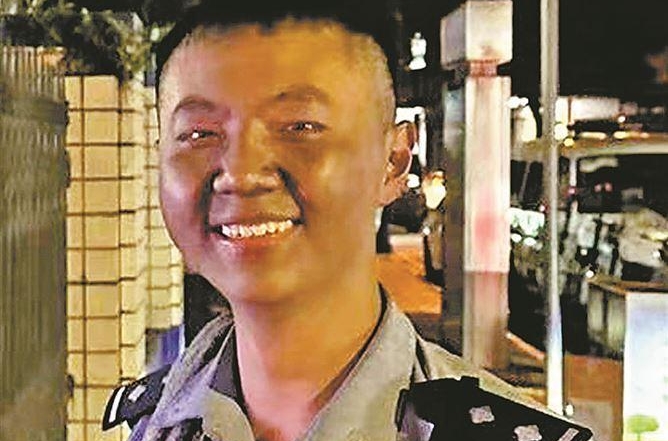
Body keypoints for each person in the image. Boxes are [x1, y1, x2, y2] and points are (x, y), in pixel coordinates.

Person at [102, 2, 591, 440]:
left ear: (393, 161)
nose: (241, 174)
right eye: (200, 133)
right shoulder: (147, 423)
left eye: (300, 126)